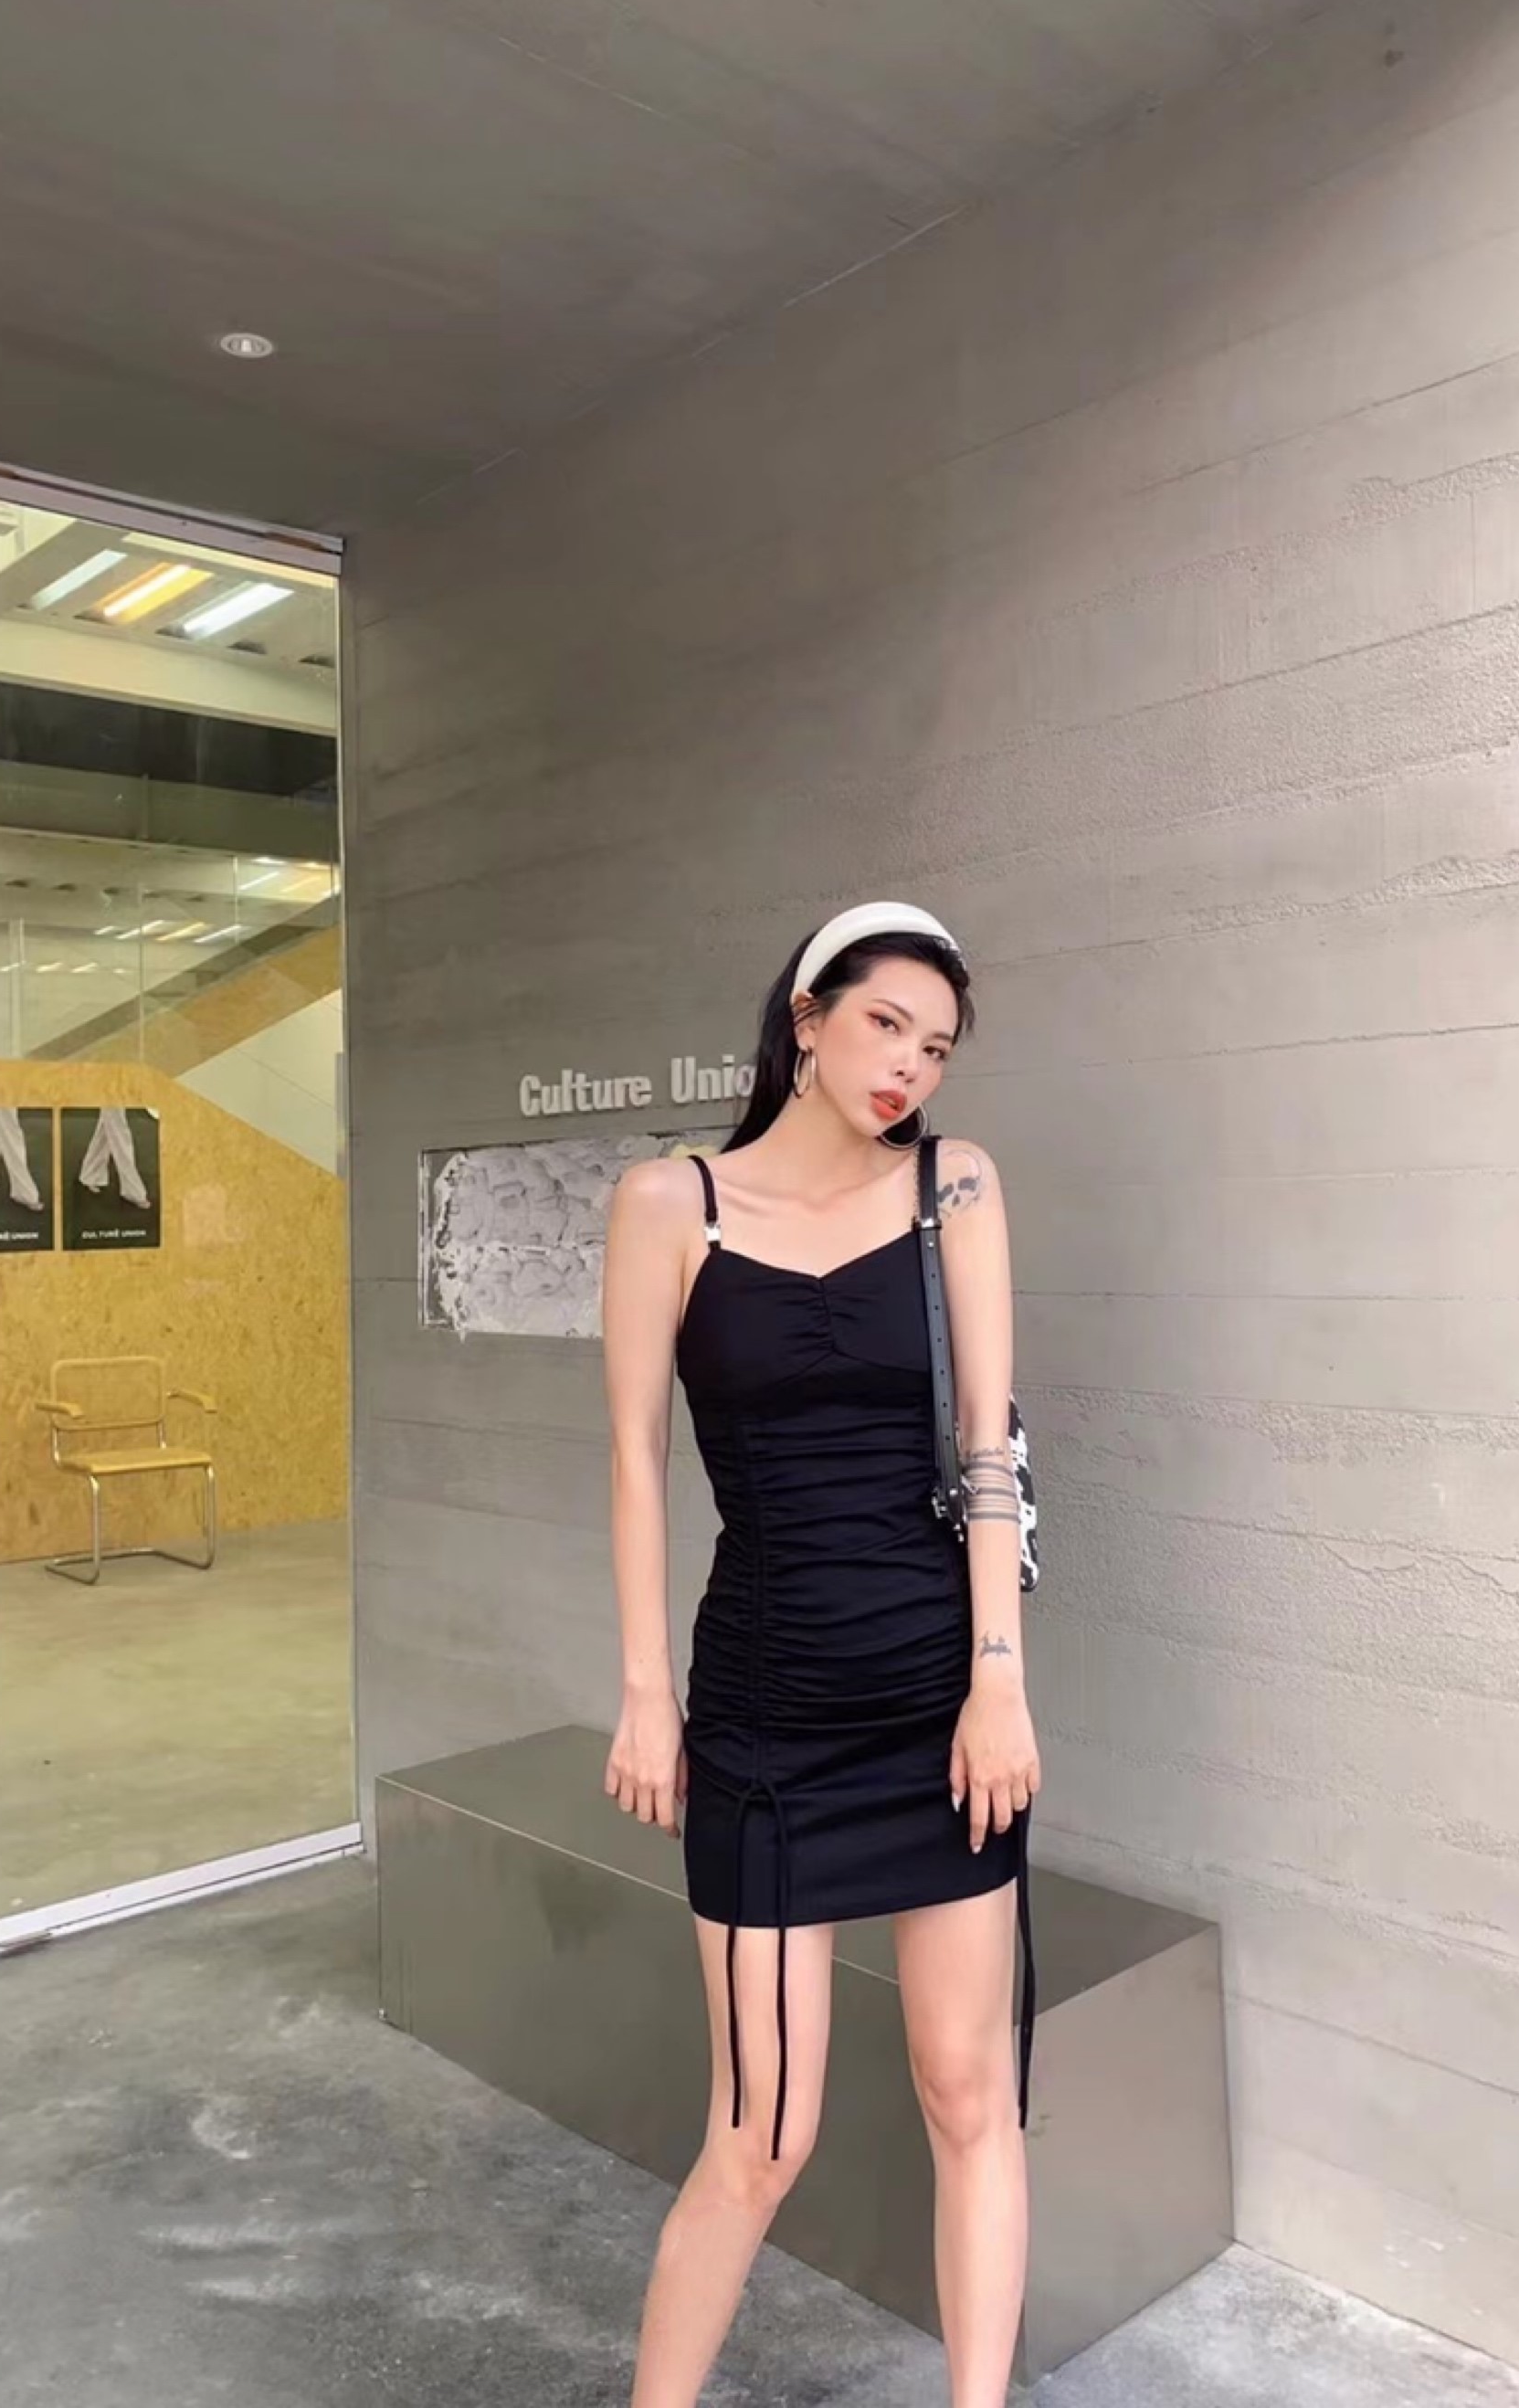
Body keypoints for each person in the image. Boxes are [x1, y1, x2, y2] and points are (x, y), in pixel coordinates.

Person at [600, 900, 1039, 2408]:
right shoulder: (670, 1203)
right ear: (806, 1017)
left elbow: (988, 1448)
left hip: (940, 1706)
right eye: (884, 1025)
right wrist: (645, 1694)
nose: (910, 1066)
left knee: (970, 2093)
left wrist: (999, 1681)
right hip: (766, 1717)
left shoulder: (953, 1186)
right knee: (761, 2136)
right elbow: (634, 1460)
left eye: (937, 1047)